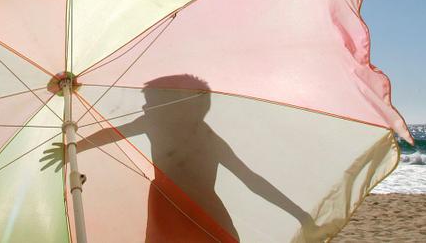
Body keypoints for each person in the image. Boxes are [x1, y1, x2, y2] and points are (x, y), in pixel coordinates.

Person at [41, 74, 318, 241]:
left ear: (182, 106)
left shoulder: (205, 138)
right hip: (169, 213)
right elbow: (113, 133)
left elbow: (252, 180)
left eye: (151, 101)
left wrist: (301, 215)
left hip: (204, 215)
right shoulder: (156, 123)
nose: (145, 106)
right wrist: (74, 148)